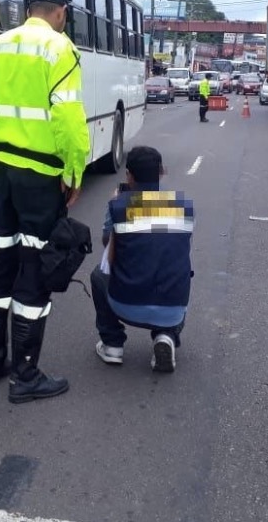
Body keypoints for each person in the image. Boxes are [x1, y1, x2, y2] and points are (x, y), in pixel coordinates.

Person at [0, 0, 91, 404]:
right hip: (40, 177)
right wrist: (73, 172)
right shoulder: (60, 49)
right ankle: (26, 376)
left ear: (30, 8)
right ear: (60, 12)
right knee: (35, 268)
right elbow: (68, 120)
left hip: (0, 172)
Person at [93, 145, 194, 373]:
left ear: (129, 175)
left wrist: (115, 207)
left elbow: (107, 245)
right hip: (172, 308)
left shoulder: (119, 206)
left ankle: (112, 345)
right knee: (180, 268)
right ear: (160, 173)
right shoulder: (184, 207)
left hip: (125, 303)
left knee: (97, 275)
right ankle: (166, 336)